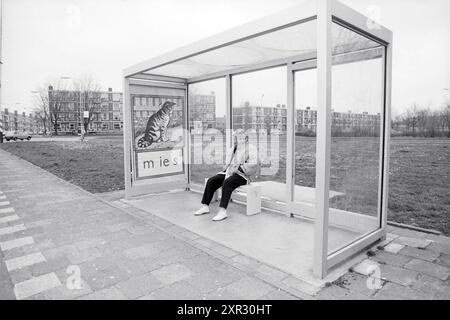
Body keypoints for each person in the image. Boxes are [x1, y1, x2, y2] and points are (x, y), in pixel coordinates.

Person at [193, 130, 260, 221]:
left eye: (242, 138)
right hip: (228, 173)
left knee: (227, 182)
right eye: (238, 137)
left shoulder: (251, 148)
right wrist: (227, 169)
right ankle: (205, 206)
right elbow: (228, 161)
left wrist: (238, 169)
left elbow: (254, 163)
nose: (240, 140)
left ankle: (222, 211)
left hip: (242, 175)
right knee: (211, 181)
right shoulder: (234, 147)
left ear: (246, 138)